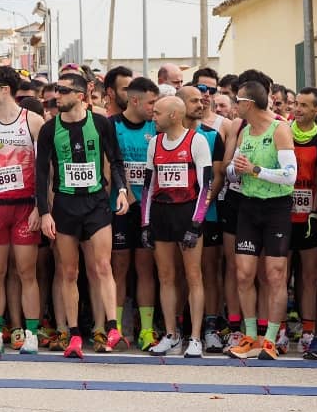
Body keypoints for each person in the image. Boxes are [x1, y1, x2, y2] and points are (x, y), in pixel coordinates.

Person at [35, 71, 129, 359]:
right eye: (56, 90)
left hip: (96, 202)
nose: (57, 96)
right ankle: (73, 333)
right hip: (65, 204)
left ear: (80, 95)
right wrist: (44, 213)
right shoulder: (49, 129)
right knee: (69, 271)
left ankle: (112, 327)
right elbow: (41, 174)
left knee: (102, 266)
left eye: (63, 91)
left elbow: (115, 159)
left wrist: (121, 190)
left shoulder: (100, 122)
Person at [0, 65, 45, 354]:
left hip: (24, 206)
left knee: (26, 271)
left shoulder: (34, 122)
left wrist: (40, 207)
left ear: (5, 90)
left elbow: (43, 171)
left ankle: (31, 333)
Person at [226, 80, 297, 360]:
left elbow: (290, 175)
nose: (234, 105)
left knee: (275, 274)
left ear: (249, 104)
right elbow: (233, 171)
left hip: (276, 208)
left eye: (238, 101)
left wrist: (255, 170)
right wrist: (235, 169)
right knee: (243, 273)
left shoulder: (280, 129)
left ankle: (270, 339)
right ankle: (251, 336)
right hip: (249, 205)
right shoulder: (245, 131)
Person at [142, 95, 212, 357]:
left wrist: (196, 223)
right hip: (162, 213)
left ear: (173, 115)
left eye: (157, 112)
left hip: (187, 212)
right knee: (166, 276)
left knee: (193, 276)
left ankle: (195, 337)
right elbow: (148, 187)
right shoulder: (155, 143)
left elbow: (205, 186)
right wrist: (145, 223)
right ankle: (171, 334)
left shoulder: (196, 141)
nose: (153, 117)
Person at [110, 77, 158, 350]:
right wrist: (124, 190)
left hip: (148, 209)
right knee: (119, 267)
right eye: (151, 102)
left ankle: (147, 330)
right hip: (120, 207)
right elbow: (110, 162)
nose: (154, 108)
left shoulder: (156, 126)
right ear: (135, 100)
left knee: (145, 268)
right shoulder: (112, 125)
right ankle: (115, 328)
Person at [179, 84, 226, 353]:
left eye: (202, 100)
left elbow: (217, 175)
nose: (201, 104)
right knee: (179, 273)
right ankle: (177, 328)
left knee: (209, 270)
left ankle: (210, 327)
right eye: (194, 100)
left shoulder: (211, 135)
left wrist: (204, 203)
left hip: (208, 214)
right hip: (175, 214)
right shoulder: (164, 136)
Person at [290, 87, 317, 356]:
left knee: (310, 276)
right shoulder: (283, 132)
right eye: (296, 104)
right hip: (284, 214)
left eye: (304, 105)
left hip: (310, 215)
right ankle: (278, 330)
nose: (297, 109)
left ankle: (309, 330)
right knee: (278, 276)